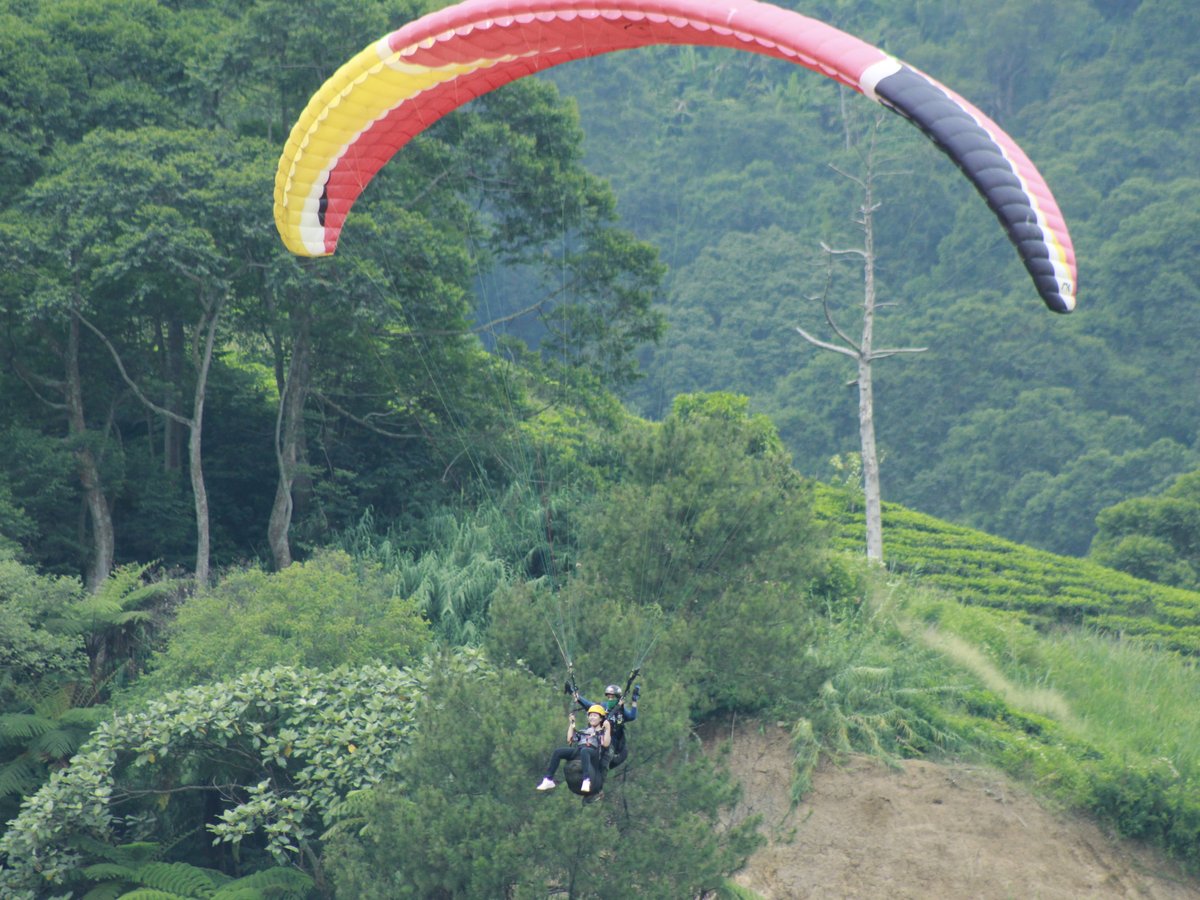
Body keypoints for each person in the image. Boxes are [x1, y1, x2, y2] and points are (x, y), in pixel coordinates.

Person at [536, 704, 611, 794]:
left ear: (601, 718)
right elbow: (569, 739)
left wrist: (608, 728)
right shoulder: (584, 731)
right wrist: (571, 724)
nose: (592, 718)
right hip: (580, 750)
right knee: (558, 752)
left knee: (585, 751)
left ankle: (586, 779)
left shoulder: (602, 732)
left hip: (593, 753)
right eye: (590, 715)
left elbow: (606, 744)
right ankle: (548, 778)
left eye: (595, 716)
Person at [575, 682, 639, 771]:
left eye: (612, 697)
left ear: (618, 698)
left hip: (613, 741)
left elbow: (632, 716)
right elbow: (589, 705)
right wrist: (578, 697)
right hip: (599, 736)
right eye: (609, 697)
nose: (610, 699)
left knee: (622, 754)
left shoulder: (621, 711)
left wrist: (634, 701)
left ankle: (605, 769)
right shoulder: (602, 706)